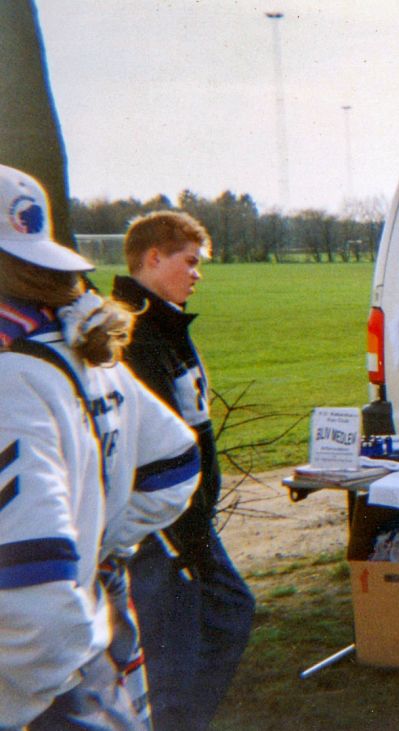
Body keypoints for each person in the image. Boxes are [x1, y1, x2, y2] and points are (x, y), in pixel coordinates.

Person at [0, 164, 200, 729]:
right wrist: (102, 540)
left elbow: (32, 598)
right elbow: (176, 462)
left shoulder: (11, 375)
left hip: (42, 692)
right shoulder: (69, 344)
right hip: (82, 655)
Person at [114, 211, 255, 730]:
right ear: (153, 258)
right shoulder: (132, 336)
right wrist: (178, 529)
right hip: (164, 529)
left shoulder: (168, 324)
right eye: (189, 262)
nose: (197, 274)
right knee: (173, 657)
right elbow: (148, 447)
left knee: (230, 610)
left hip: (192, 521)